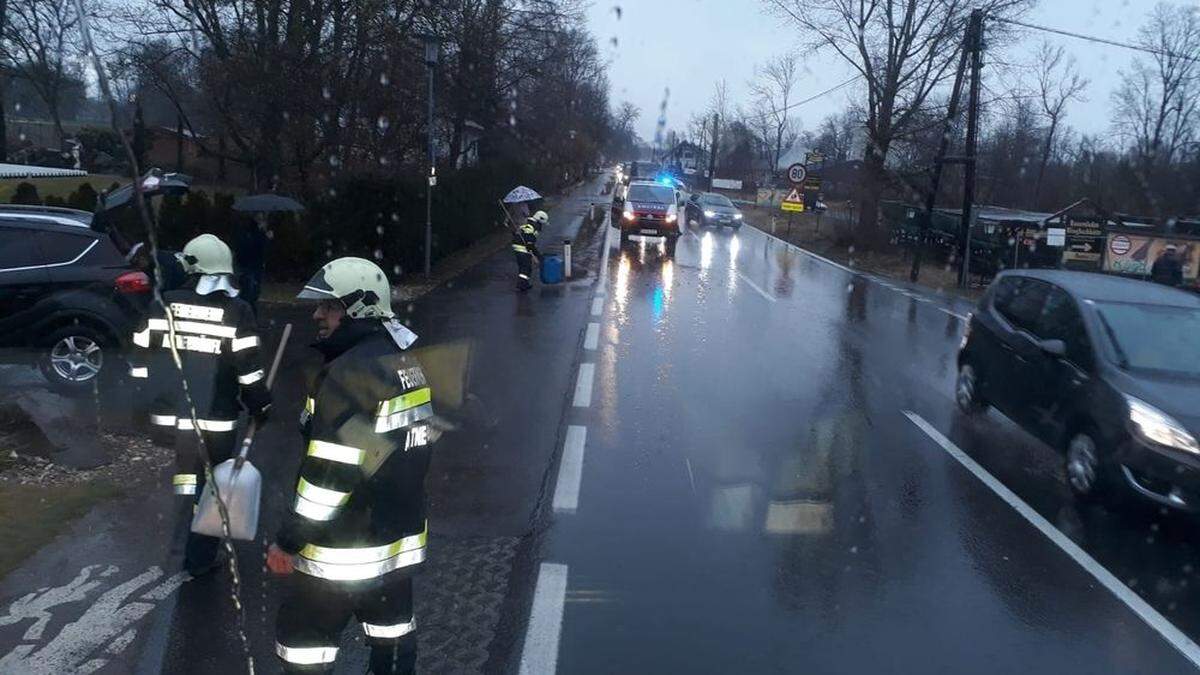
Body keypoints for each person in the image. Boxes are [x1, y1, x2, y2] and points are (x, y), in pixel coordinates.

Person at [268, 257, 436, 675]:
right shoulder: (406, 362)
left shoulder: (347, 374)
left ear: (359, 308)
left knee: (304, 649)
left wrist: (288, 540)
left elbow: (330, 476)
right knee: (393, 639)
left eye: (329, 306)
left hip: (339, 550)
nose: (317, 314)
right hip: (397, 542)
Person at [127, 233, 271, 576]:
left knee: (184, 478)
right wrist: (260, 405)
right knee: (212, 486)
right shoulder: (237, 311)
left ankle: (179, 539)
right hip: (215, 424)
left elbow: (140, 361)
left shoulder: (163, 303)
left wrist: (143, 403)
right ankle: (200, 556)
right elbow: (248, 372)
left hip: (170, 418)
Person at [512, 210, 547, 291]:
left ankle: (525, 284)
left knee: (523, 266)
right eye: (542, 223)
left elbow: (518, 234)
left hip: (518, 247)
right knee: (526, 267)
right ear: (539, 220)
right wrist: (538, 256)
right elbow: (530, 244)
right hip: (522, 248)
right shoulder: (532, 227)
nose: (542, 225)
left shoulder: (527, 223)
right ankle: (521, 284)